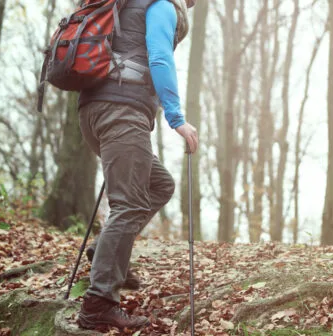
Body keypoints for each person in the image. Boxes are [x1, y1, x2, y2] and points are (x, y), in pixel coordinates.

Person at [77, 0, 198, 330]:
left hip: (94, 112)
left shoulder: (126, 5)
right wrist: (177, 119)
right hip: (121, 113)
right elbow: (160, 57)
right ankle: (98, 304)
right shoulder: (162, 5)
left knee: (159, 184)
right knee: (128, 205)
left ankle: (106, 251)